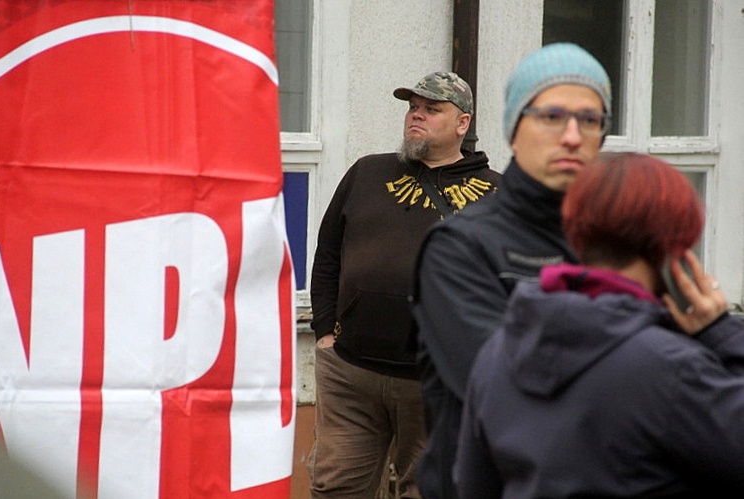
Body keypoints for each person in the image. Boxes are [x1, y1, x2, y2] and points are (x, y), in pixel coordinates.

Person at [455, 152, 744, 497]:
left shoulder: (498, 350)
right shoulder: (670, 366)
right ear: (674, 249)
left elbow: (472, 486)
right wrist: (722, 334)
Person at [410, 43, 612, 498]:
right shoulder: (460, 248)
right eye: (551, 116)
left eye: (590, 119)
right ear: (514, 130)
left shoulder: (618, 244)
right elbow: (509, 392)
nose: (573, 136)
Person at [308, 71, 501, 498]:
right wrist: (323, 333)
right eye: (413, 108)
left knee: (428, 491)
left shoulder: (496, 195)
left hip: (436, 384)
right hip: (351, 373)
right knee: (334, 487)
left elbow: (508, 289)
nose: (417, 116)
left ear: (462, 124)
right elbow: (327, 257)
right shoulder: (367, 173)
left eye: (432, 109)